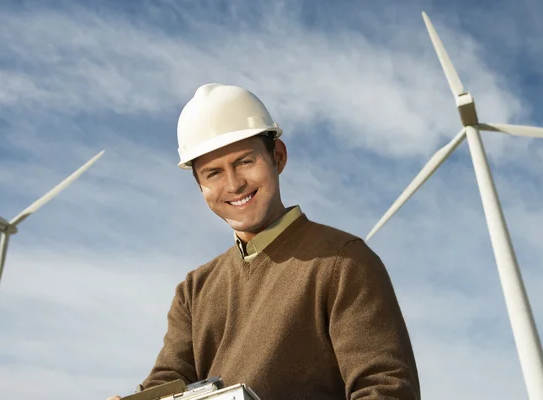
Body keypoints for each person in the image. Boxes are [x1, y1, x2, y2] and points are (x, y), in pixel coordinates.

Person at [107, 83, 420, 400]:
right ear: (199, 185)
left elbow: (386, 389)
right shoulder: (194, 291)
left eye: (245, 161)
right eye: (213, 173)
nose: (234, 184)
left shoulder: (343, 262)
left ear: (278, 157)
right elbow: (169, 382)